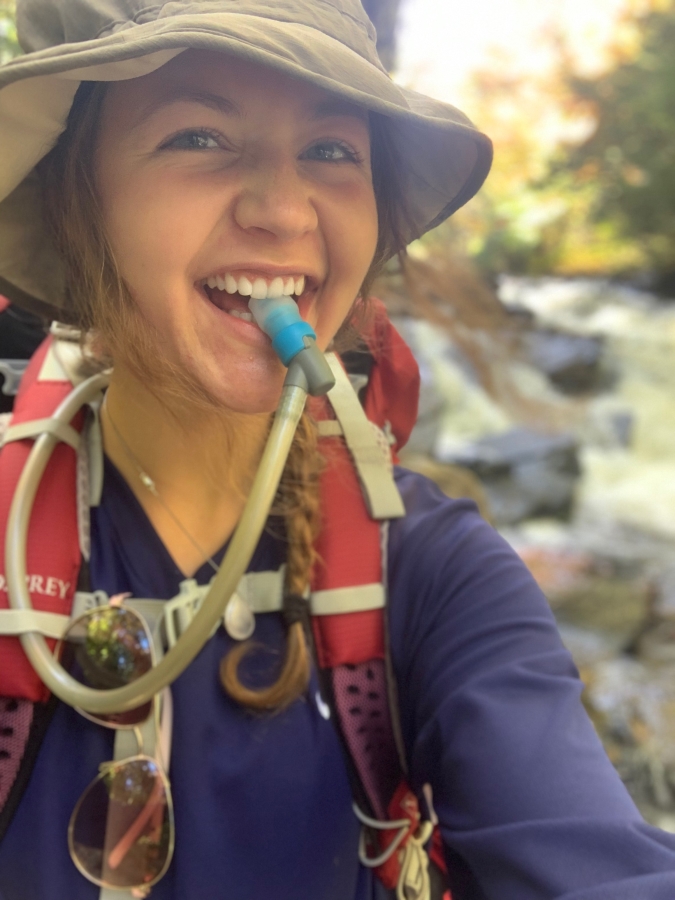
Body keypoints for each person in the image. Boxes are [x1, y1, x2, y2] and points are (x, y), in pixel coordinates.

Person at [1, 2, 675, 899]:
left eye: (330, 150)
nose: (284, 211)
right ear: (76, 199)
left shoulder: (429, 573)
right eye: (198, 135)